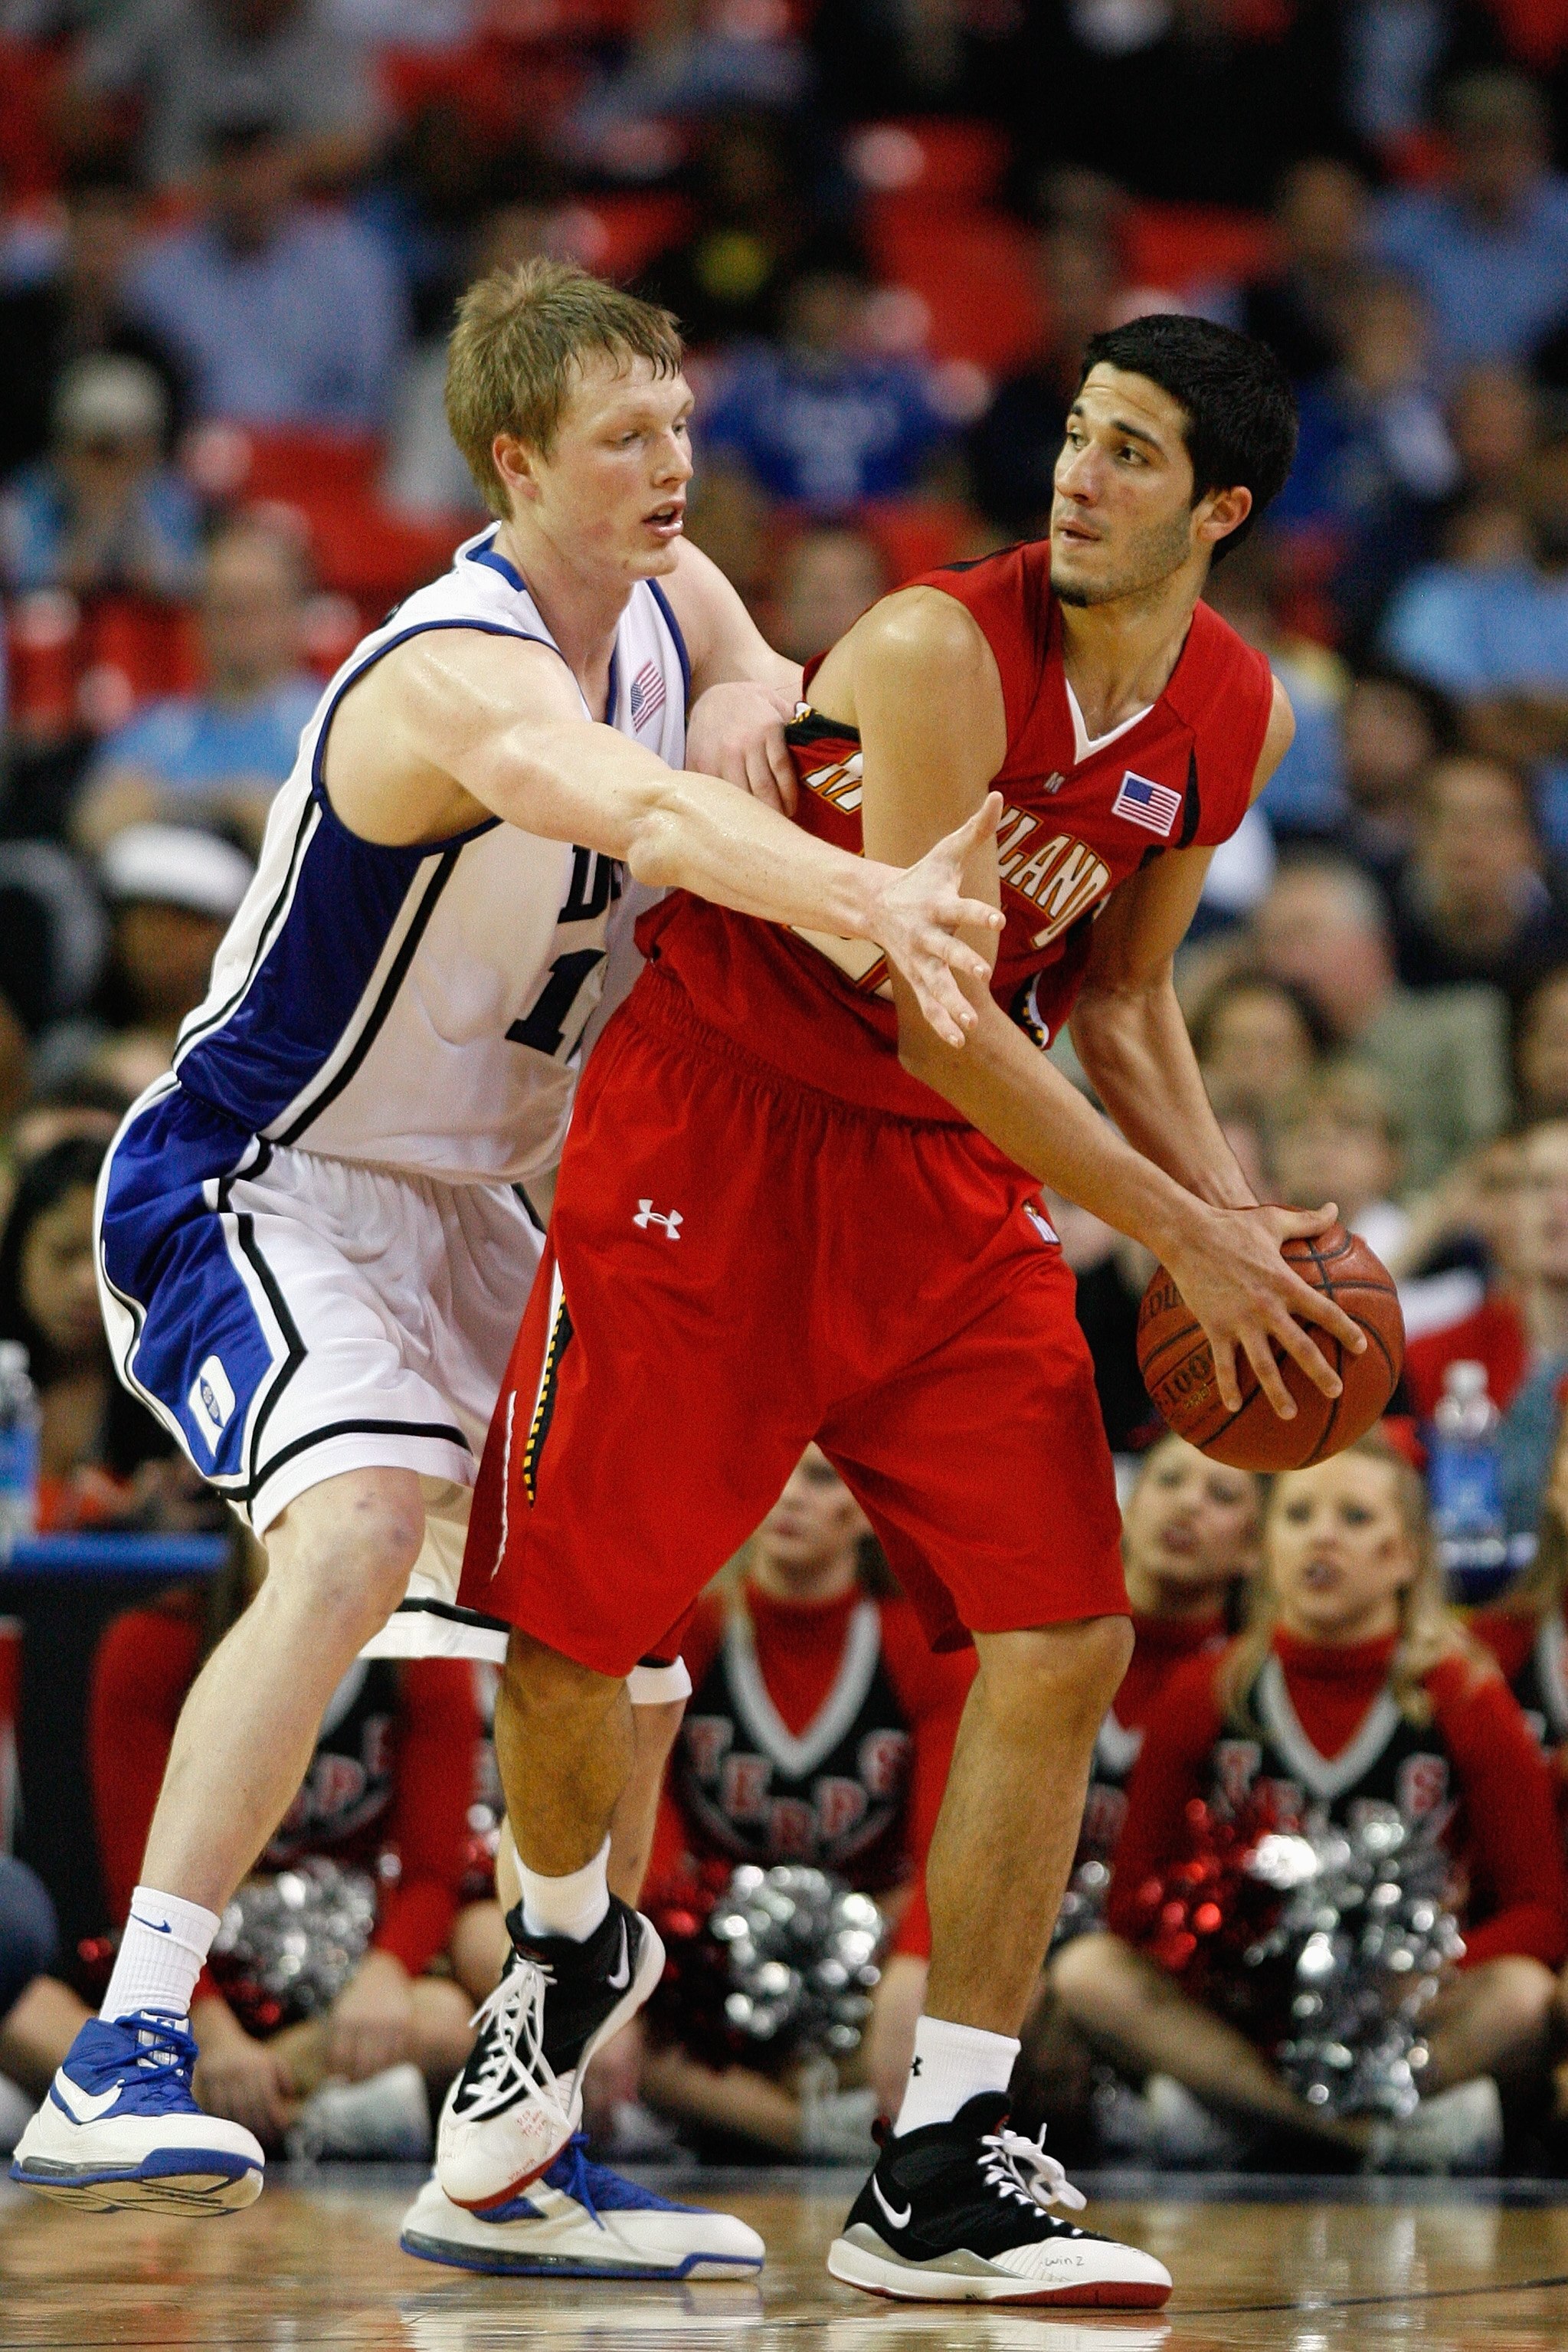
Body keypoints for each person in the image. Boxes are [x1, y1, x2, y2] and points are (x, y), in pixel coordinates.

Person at [11, 257, 996, 2277]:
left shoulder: (665, 592)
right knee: (363, 1513)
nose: (672, 469)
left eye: (684, 428)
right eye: (626, 437)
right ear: (510, 457)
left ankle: (512, 2135)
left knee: (615, 1621)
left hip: (479, 1210)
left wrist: (747, 695)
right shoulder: (450, 669)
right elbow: (620, 795)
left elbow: (718, 669)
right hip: (264, 1178)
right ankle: (125, 2035)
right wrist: (872, 897)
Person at [444, 313, 1373, 2308]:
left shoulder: (1226, 701)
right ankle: (548, 1953)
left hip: (940, 1198)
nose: (1076, 475)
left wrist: (1226, 1213)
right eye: (1071, 434)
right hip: (725, 1123)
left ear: (1217, 506)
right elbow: (939, 1010)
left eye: (1128, 453)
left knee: (1065, 1619)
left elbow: (1110, 999)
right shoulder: (941, 648)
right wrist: (1176, 1235)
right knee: (572, 1634)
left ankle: (942, 2146)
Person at [1052, 1434, 1568, 2170]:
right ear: (1263, 1548)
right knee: (1088, 1971)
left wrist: (1410, 1977)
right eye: (1297, 1515)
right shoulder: (1208, 1690)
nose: (1322, 1535)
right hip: (1244, 2009)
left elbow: (1540, 1910)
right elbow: (1132, 1903)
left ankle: (1235, 2120)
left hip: (1402, 2011)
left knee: (1519, 1995)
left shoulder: (1463, 1695)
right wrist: (1222, 1955)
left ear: (1406, 1554)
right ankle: (1361, 2136)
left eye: (1355, 1518)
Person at [90, 1557, 489, 2159]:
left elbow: (433, 1874)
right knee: (46, 2020)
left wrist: (384, 1976)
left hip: (338, 1973)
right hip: (191, 1970)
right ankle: (305, 2117)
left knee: (445, 2023)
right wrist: (212, 2034)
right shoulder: (157, 1641)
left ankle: (219, 2110)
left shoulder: (423, 1656)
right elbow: (137, 1880)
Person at [635, 1446, 975, 2154]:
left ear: (865, 1509)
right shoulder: (684, 1628)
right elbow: (646, 1833)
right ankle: (812, 2128)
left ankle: (724, 2112)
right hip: (704, 1966)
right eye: (772, 1468)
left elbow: (949, 1849)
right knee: (610, 1994)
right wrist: (690, 1949)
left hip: (867, 1964)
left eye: (819, 1477)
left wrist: (912, 1965)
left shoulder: (925, 1648)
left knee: (996, 1987)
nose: (788, 1493)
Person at [1016, 1436, 1259, 2143]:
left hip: (1166, 1975)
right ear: (1127, 1504)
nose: (1187, 1503)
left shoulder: (1249, 1681)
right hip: (1030, 1943)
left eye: (1221, 1496)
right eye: (1169, 1480)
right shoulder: (1041, 1644)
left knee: (1095, 1984)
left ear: (1254, 1544)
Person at [126, 113, 406, 432]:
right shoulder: (159, 273)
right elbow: (143, 395)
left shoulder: (353, 263)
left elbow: (373, 394)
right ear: (207, 174)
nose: (246, 183)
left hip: (318, 460)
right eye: (232, 164)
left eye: (261, 163)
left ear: (291, 165)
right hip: (194, 459)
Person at [1252, 852, 1511, 1191]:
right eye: (1269, 941)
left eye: (1300, 935)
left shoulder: (1460, 1024)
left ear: (1373, 943)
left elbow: (1490, 1153)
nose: (1280, 960)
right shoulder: (1274, 1053)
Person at [72, 522, 320, 858]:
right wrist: (226, 805)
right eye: (224, 606)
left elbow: (330, 842)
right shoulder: (158, 725)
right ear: (196, 621)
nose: (240, 623)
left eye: (258, 606)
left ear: (296, 617)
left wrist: (165, 803)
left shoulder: (329, 723)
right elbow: (94, 824)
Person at [0, 1138, 184, 1531]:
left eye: (105, 1256)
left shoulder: (176, 1394)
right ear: (18, 1253)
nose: (87, 1283)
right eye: (64, 1253)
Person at [1370, 71, 1568, 378]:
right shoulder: (1404, 229)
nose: (1496, 164)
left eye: (1509, 146)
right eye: (1481, 146)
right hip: (1435, 401)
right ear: (1454, 153)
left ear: (1539, 150)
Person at [0, 356, 200, 603]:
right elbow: (25, 578)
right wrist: (89, 527)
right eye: (95, 451)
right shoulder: (29, 493)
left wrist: (128, 513)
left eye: (122, 452)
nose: (107, 468)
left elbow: (185, 579)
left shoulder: (172, 494)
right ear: (64, 449)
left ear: (150, 451)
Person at [1391, 754, 1568, 1001]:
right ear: (1419, 838)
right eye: (1448, 819)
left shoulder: (1559, 942)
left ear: (1530, 843)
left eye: (1492, 820)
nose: (1470, 837)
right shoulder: (1385, 939)